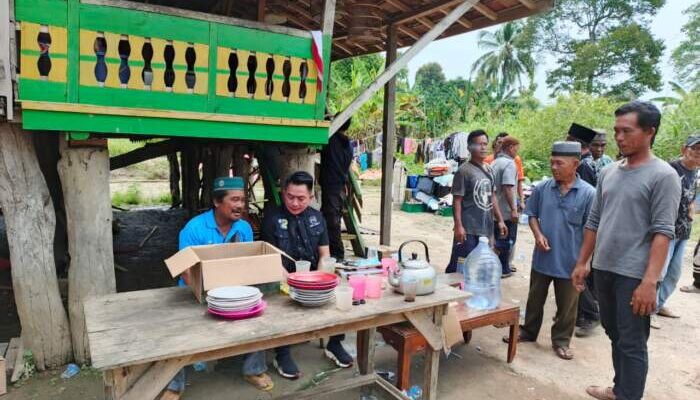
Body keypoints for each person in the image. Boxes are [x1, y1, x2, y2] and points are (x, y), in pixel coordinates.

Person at [572, 101, 681, 400]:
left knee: (632, 342)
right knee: (613, 332)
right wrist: (583, 262)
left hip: (634, 274)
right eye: (617, 131)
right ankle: (621, 389)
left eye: (626, 131)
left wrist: (650, 281)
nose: (619, 137)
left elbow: (663, 232)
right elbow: (594, 221)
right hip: (604, 268)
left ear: (649, 132)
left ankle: (627, 394)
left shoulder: (663, 176)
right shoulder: (609, 173)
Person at [164, 177, 273, 399]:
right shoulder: (194, 228)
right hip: (196, 293)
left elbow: (246, 264)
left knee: (258, 313)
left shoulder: (244, 228)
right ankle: (174, 385)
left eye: (243, 200)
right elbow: (185, 269)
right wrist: (207, 292)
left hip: (232, 290)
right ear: (217, 201)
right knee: (177, 329)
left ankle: (253, 369)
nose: (241, 205)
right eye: (234, 200)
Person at [504, 142, 595, 360]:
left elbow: (593, 231)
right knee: (535, 298)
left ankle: (561, 341)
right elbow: (532, 214)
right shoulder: (544, 188)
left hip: (572, 262)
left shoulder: (589, 194)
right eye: (552, 162)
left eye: (559, 163)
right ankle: (528, 331)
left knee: (568, 306)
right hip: (543, 258)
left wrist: (586, 262)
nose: (554, 167)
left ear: (575, 164)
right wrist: (538, 234)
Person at [261, 171, 353, 379]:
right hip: (283, 278)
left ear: (311, 197)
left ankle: (335, 343)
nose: (294, 202)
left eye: (301, 198)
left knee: (340, 295)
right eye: (290, 196)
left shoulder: (317, 218)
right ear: (283, 193)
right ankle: (282, 353)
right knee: (277, 302)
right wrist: (291, 282)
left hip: (312, 277)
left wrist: (319, 280)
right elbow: (271, 260)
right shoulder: (271, 219)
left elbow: (324, 254)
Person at [446, 130, 507, 273]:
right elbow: (457, 200)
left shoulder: (489, 170)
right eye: (479, 144)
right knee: (460, 267)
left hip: (486, 228)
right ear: (469, 148)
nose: (483, 148)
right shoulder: (464, 171)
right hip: (468, 229)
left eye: (485, 144)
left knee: (480, 268)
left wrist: (500, 220)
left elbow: (492, 197)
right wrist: (458, 226)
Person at [655, 135, 700, 320]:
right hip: (666, 230)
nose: (698, 153)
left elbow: (690, 196)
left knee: (674, 273)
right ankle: (648, 311)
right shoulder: (670, 169)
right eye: (694, 149)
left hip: (684, 229)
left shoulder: (696, 172)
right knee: (659, 271)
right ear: (684, 150)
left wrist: (691, 207)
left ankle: (658, 304)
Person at [566, 123, 601, 338]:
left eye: (569, 139)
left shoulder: (585, 166)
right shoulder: (589, 163)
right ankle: (577, 312)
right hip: (582, 226)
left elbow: (585, 200)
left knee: (578, 269)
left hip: (582, 227)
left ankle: (590, 314)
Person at [320, 117, 353, 261]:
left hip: (332, 185)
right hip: (339, 185)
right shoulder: (347, 144)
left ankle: (338, 254)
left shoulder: (331, 139)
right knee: (331, 218)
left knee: (331, 220)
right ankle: (331, 251)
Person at [491, 136, 520, 277]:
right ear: (510, 147)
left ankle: (498, 267)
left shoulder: (494, 162)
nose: (517, 151)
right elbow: (508, 187)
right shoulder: (509, 164)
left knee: (498, 238)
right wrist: (514, 210)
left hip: (494, 211)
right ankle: (503, 269)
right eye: (516, 148)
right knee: (507, 240)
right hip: (505, 212)